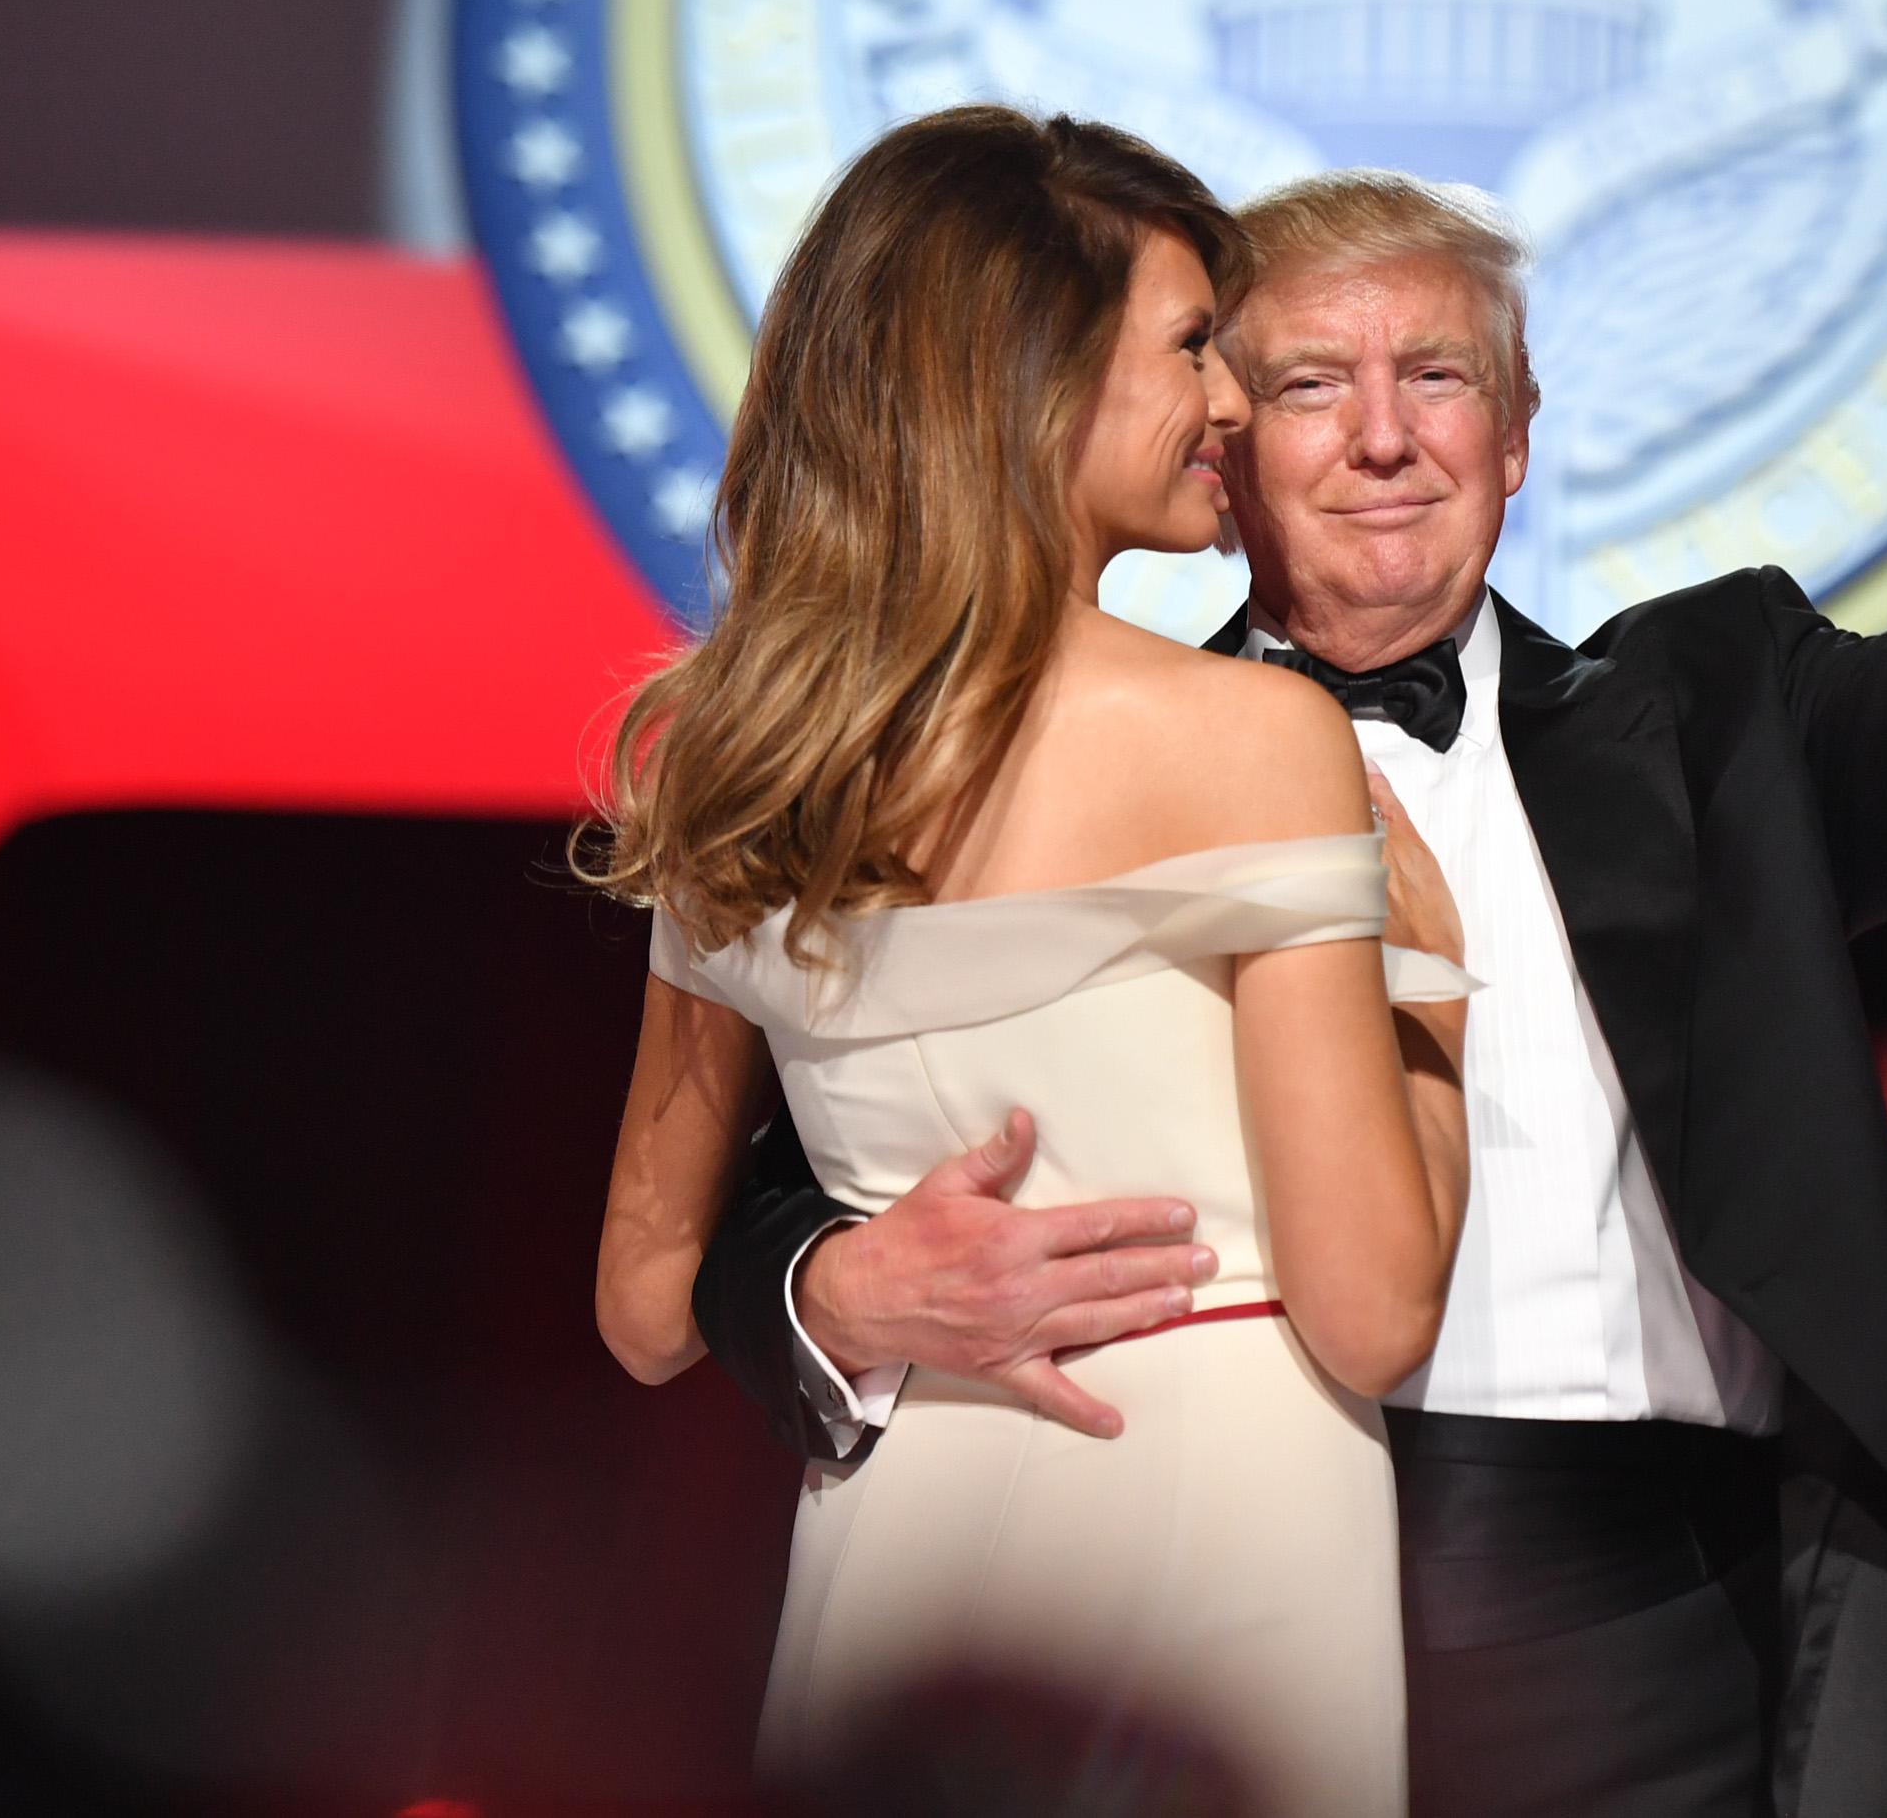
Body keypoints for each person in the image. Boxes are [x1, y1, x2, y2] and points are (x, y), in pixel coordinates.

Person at [697, 166, 1887, 1817]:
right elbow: (766, 1158)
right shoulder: (1048, 762)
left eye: (1439, 372)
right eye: (1311, 380)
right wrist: (832, 1283)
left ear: (1518, 438)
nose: (1384, 432)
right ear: (1217, 447)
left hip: (1666, 1633)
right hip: (1220, 1578)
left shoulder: (1709, 716)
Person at [585, 109, 1476, 1816]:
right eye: (1193, 345)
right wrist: (1427, 991)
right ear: (1028, 373)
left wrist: (837, 1288)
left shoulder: (735, 751)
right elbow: (1373, 1312)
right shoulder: (1246, 734)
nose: (1231, 398)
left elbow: (643, 1298)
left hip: (901, 1535)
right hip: (1224, 1521)